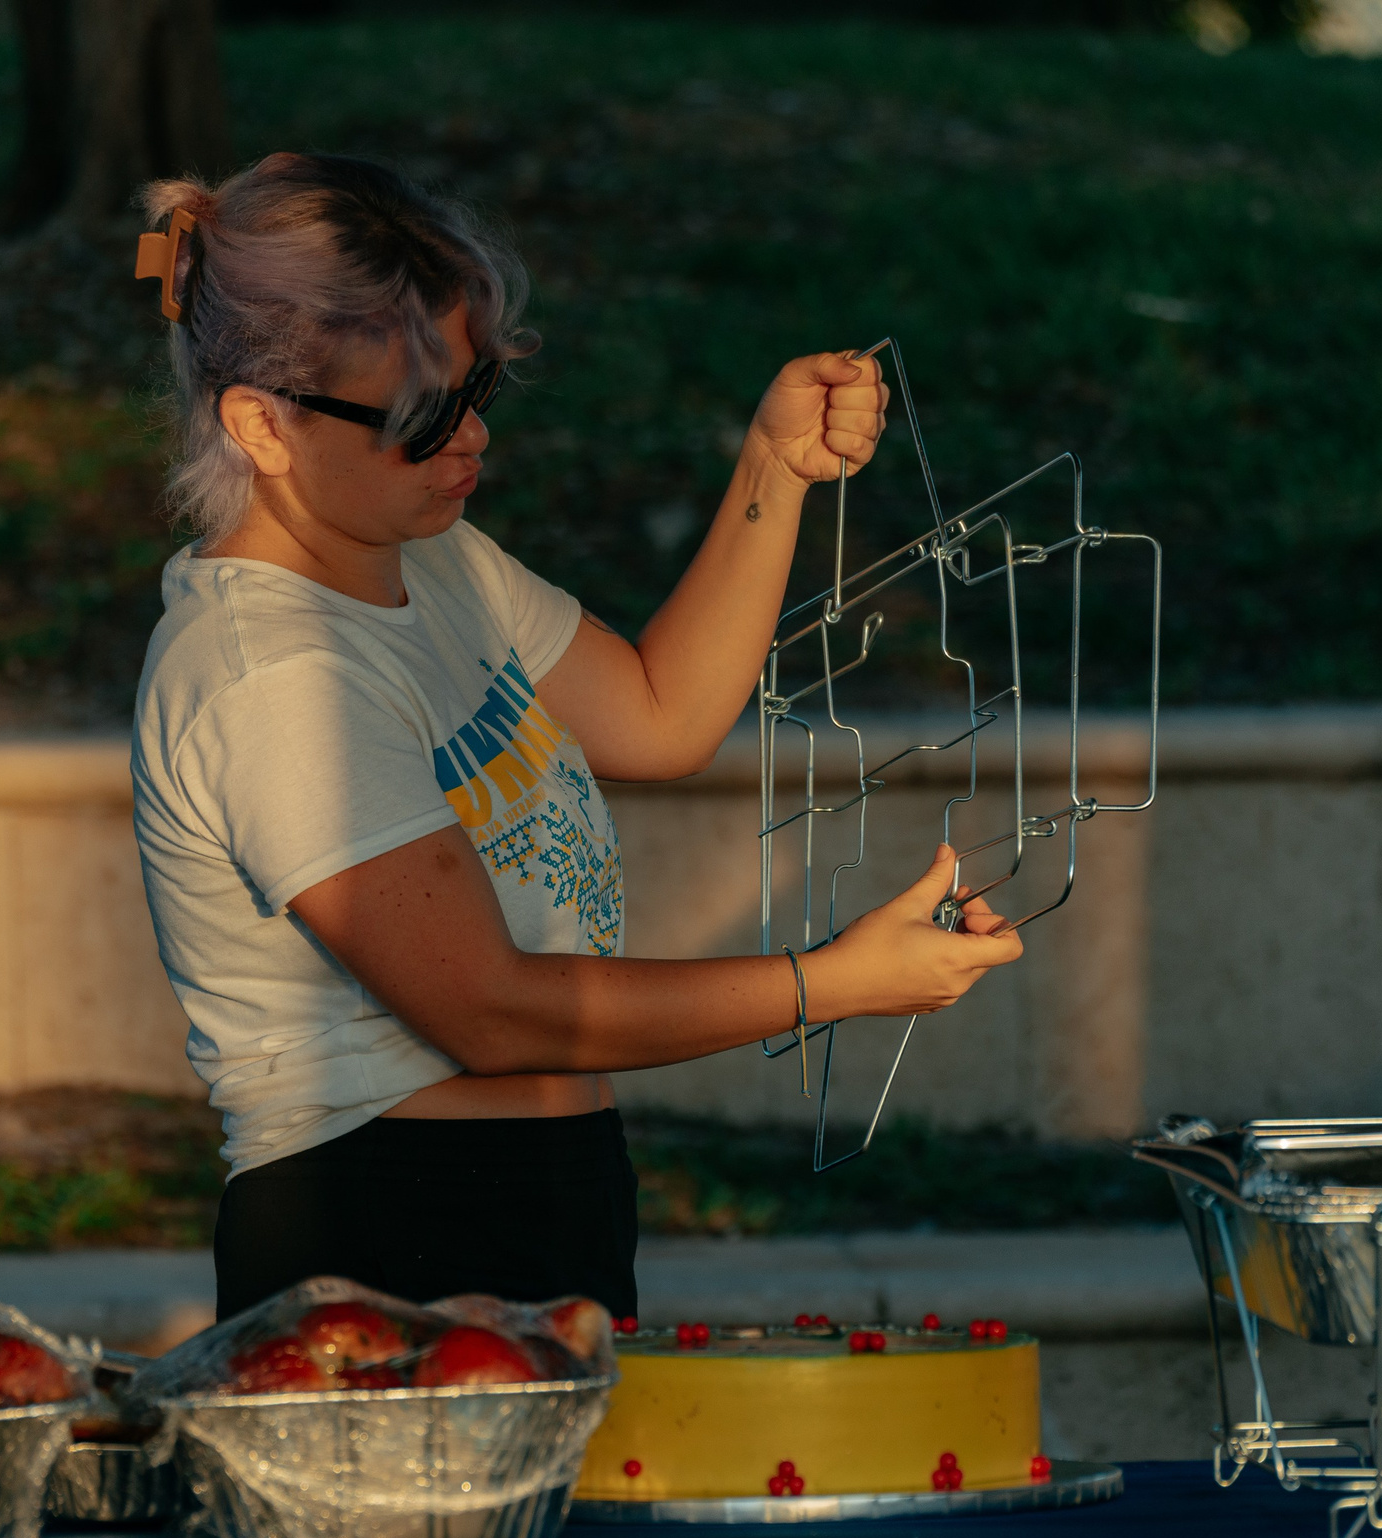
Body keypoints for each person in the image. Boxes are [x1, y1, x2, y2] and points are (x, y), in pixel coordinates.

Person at [128, 153, 1021, 1324]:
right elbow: (487, 1012)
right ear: (260, 423)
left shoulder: (432, 560)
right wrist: (831, 983)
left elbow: (659, 714)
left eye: (478, 389)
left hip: (548, 1188)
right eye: (420, 418)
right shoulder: (271, 678)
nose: (470, 440)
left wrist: (775, 467)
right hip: (383, 1223)